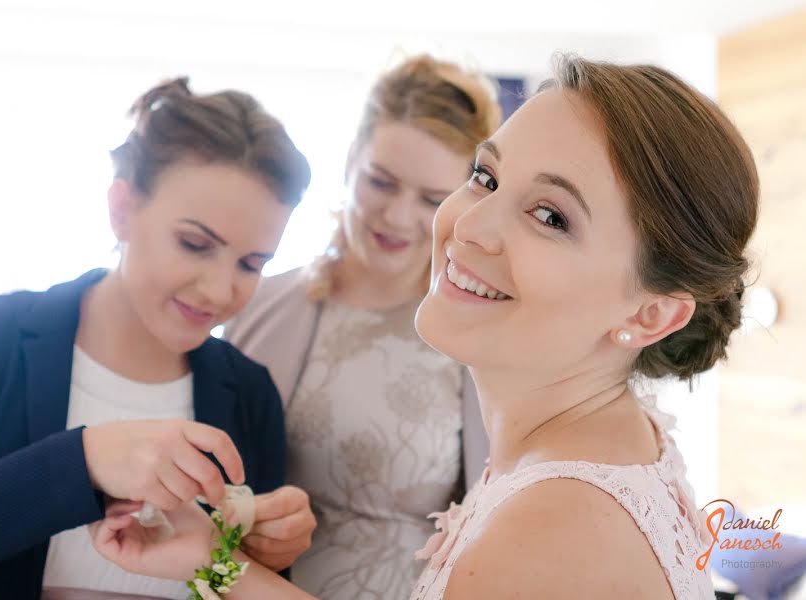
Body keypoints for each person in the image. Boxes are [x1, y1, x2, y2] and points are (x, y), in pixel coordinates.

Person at [0, 77, 316, 599]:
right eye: (194, 244)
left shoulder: (249, 393)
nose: (218, 289)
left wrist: (254, 558)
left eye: (251, 264)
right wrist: (81, 463)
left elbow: (223, 586)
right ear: (122, 209)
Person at [408, 55, 758, 598]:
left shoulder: (548, 530)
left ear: (650, 314)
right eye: (486, 177)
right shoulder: (607, 444)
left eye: (550, 217)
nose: (471, 225)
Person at [222, 54, 502, 599]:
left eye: (430, 199)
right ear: (351, 160)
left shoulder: (479, 337)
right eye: (381, 181)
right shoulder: (259, 303)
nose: (397, 216)